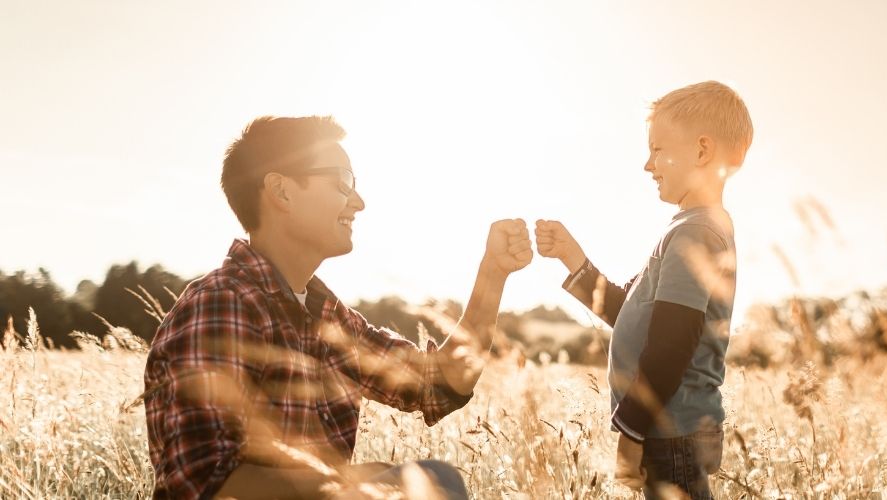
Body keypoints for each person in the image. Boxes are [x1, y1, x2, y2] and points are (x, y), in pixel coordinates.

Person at [143, 116, 532, 499]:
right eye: (342, 182)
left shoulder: (325, 315)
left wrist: (492, 274)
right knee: (430, 481)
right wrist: (346, 481)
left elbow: (441, 384)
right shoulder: (220, 306)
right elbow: (201, 484)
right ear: (282, 192)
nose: (358, 202)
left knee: (435, 479)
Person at [535, 81, 752, 499]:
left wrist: (631, 430)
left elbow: (671, 344)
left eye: (657, 149)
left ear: (702, 152)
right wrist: (573, 258)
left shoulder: (697, 233)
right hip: (671, 429)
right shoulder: (688, 229)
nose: (647, 165)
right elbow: (632, 315)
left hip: (671, 433)